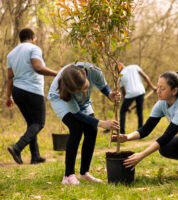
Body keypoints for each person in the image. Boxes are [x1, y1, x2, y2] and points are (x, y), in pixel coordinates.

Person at [48, 62, 120, 185]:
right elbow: (77, 114)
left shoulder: (93, 71)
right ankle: (68, 176)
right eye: (79, 91)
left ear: (85, 76)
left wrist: (110, 94)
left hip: (84, 102)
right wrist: (101, 123)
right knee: (76, 128)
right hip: (61, 100)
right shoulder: (64, 89)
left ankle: (84, 173)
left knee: (92, 129)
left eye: (85, 88)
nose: (82, 92)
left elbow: (103, 85)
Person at [6, 28, 57, 165]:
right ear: (32, 37)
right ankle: (17, 148)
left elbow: (10, 77)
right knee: (39, 123)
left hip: (17, 92)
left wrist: (8, 96)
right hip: (32, 91)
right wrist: (57, 74)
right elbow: (38, 68)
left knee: (31, 123)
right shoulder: (33, 49)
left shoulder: (11, 54)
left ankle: (35, 156)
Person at [118, 63, 156, 134]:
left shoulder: (120, 75)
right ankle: (140, 131)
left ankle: (122, 132)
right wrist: (152, 87)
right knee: (139, 111)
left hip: (130, 94)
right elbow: (145, 77)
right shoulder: (134, 66)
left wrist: (127, 105)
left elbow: (123, 90)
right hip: (140, 92)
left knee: (122, 111)